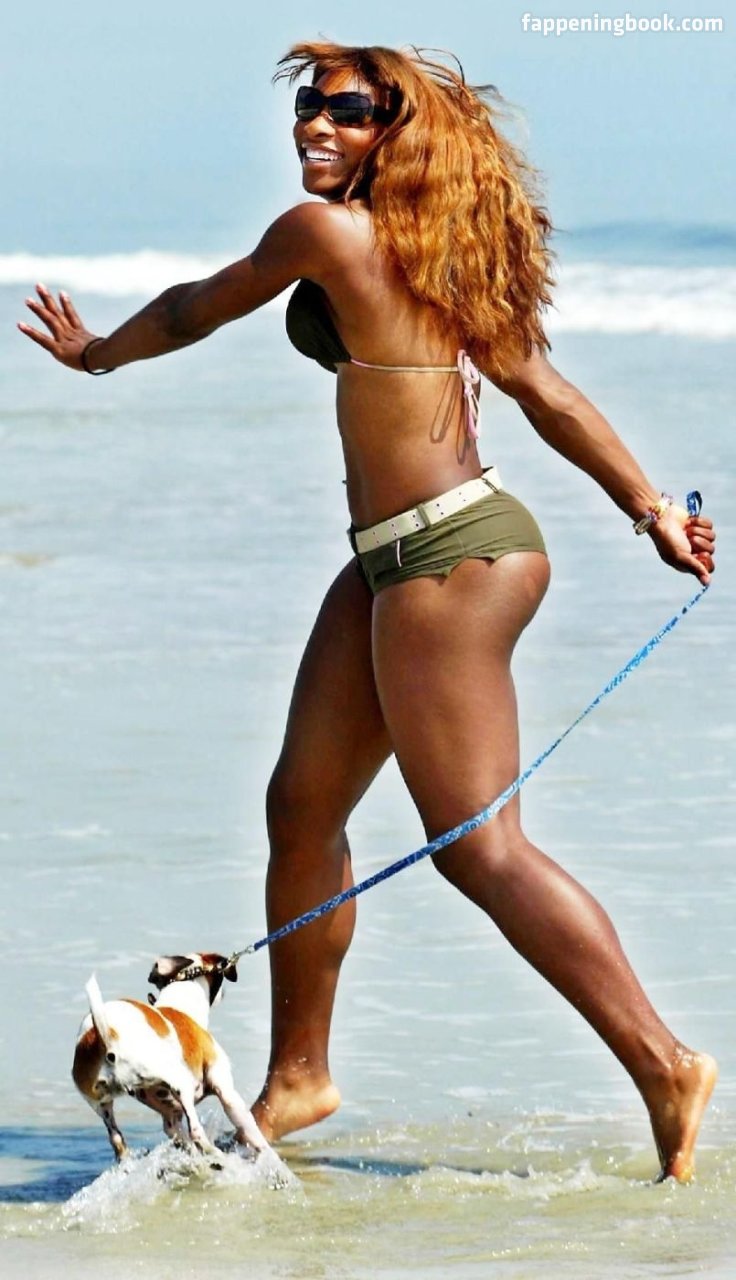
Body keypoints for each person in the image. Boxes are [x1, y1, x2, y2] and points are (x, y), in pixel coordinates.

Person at [19, 41, 717, 1182]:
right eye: (308, 106)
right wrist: (648, 512)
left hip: (450, 556)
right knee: (301, 808)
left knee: (480, 848)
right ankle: (301, 1074)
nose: (314, 125)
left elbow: (197, 309)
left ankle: (664, 1062)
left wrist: (98, 355)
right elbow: (544, 392)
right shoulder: (418, 247)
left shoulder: (330, 233)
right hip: (394, 562)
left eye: (345, 111)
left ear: (396, 133)